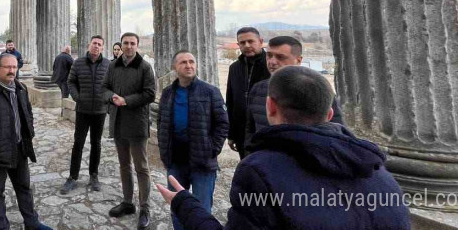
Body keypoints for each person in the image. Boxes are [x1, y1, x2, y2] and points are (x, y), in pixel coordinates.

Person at [155, 66, 410, 230]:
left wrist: (185, 204)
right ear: (330, 113)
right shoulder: (381, 174)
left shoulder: (259, 171)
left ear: (270, 108)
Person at [0, 54, 53, 230]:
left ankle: (32, 223)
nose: (11, 71)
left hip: (20, 149)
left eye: (14, 67)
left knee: (24, 188)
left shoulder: (22, 88)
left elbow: (28, 113)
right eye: (7, 67)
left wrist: (29, 132)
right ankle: (2, 227)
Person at [157, 50, 228, 230]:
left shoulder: (210, 91)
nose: (189, 65)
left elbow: (222, 123)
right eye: (183, 62)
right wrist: (165, 151)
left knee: (201, 210)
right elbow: (161, 123)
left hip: (202, 162)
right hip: (176, 161)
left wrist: (212, 149)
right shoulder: (167, 93)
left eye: (191, 62)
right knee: (177, 207)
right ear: (175, 67)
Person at [244, 36, 344, 150]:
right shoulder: (258, 89)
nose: (272, 62)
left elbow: (337, 132)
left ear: (299, 60)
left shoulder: (317, 89)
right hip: (264, 160)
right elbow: (250, 128)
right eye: (269, 55)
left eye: (280, 57)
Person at [101, 32, 156, 229]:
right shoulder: (113, 66)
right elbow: (104, 87)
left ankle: (145, 207)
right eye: (126, 43)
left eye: (133, 43)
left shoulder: (144, 67)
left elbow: (150, 94)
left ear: (137, 45)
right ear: (121, 45)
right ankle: (127, 202)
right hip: (118, 121)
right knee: (124, 165)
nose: (129, 46)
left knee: (141, 167)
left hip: (137, 123)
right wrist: (112, 97)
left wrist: (127, 100)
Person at [60, 36, 110, 194]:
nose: (96, 46)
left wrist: (107, 99)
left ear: (102, 47)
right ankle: (72, 177)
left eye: (99, 44)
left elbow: (111, 85)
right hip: (83, 110)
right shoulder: (78, 63)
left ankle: (93, 175)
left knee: (96, 144)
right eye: (94, 43)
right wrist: (77, 97)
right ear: (89, 45)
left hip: (100, 111)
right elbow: (71, 81)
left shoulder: (108, 64)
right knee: (78, 144)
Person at [224, 27, 269, 158]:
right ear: (238, 45)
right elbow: (231, 101)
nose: (247, 45)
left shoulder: (271, 65)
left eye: (251, 41)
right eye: (242, 43)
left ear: (261, 41)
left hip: (265, 131)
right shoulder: (234, 68)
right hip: (241, 133)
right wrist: (231, 134)